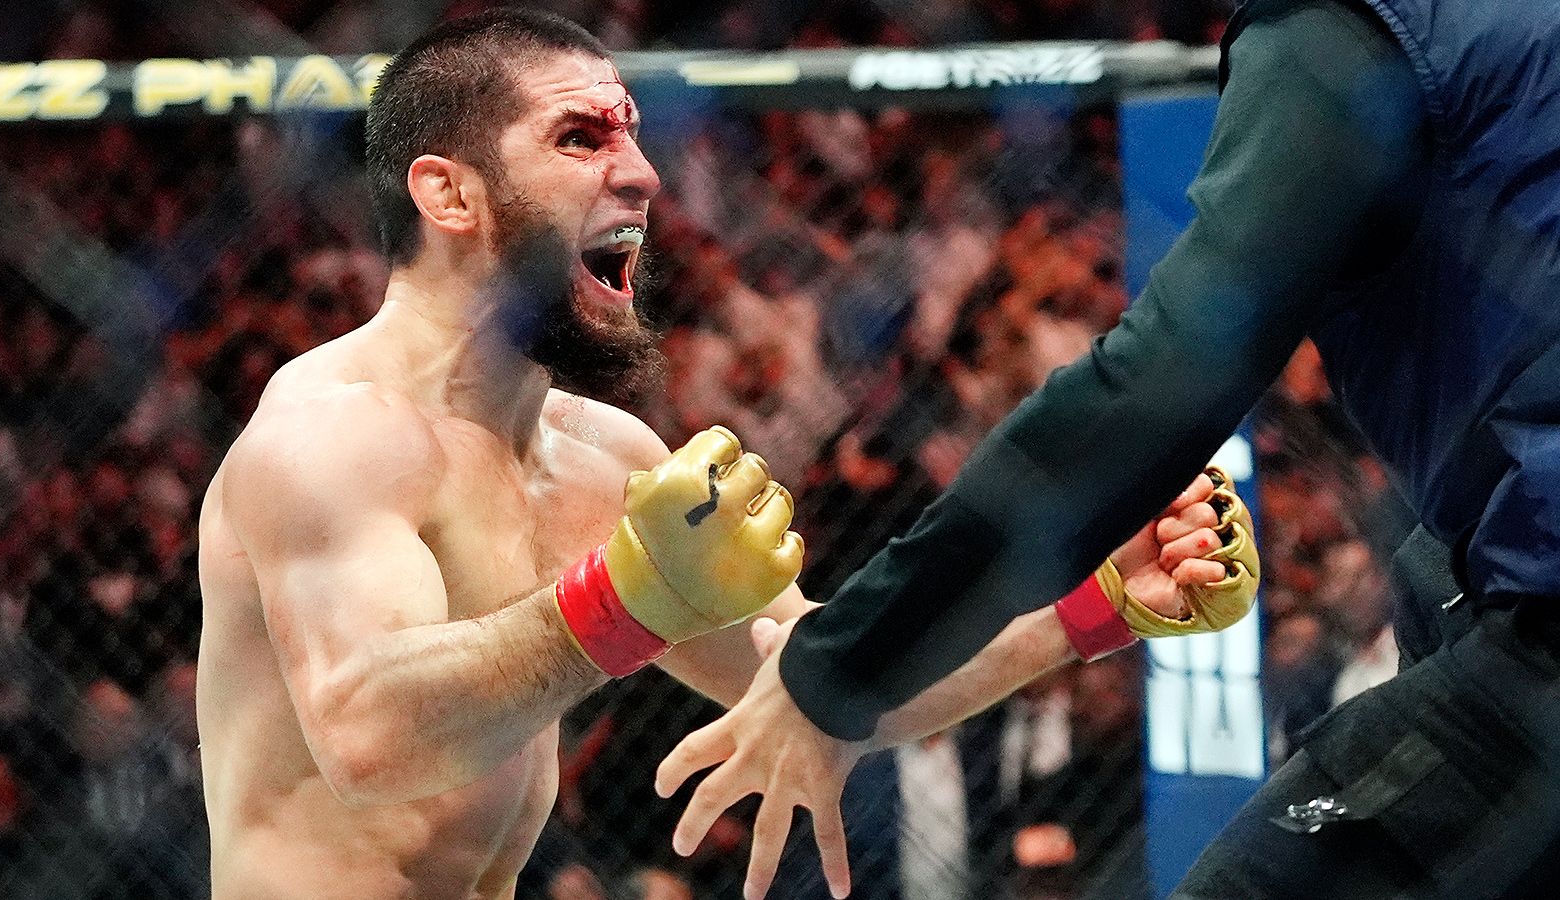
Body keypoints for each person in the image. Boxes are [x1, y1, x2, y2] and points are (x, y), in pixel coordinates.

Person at [194, 9, 1257, 900]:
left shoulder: (603, 459)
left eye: (632, 135)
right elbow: (369, 738)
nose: (643, 175)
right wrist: (624, 601)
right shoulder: (336, 433)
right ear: (450, 194)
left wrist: (1089, 609)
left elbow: (827, 678)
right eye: (580, 138)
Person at [657, 0, 1560, 897]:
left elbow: (1168, 375)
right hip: (1519, 571)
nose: (634, 174)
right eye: (592, 135)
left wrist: (836, 669)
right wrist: (1079, 613)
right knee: (1435, 581)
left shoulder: (1356, 33)